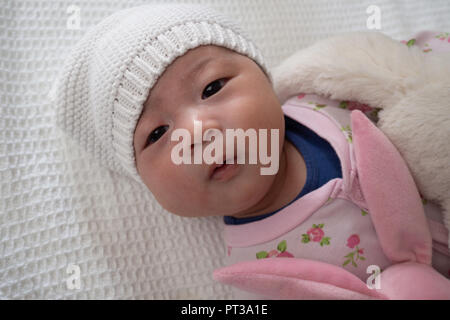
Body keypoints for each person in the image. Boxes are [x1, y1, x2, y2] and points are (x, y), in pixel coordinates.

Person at [53, 3, 449, 297]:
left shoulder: (328, 96)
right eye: (156, 134)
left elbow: (414, 69)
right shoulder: (262, 272)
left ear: (264, 78)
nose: (196, 131)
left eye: (212, 88)